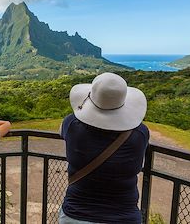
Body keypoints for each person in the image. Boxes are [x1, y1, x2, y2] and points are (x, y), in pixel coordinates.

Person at [59, 72, 149, 224]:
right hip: (124, 217)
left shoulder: (72, 125)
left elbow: (61, 130)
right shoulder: (139, 134)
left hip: (75, 214)